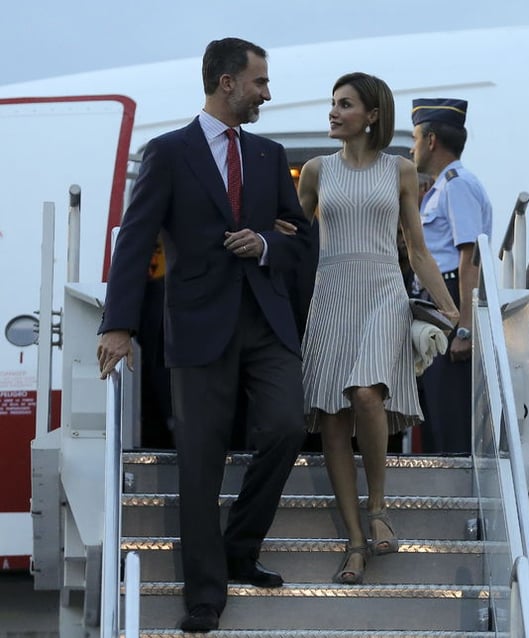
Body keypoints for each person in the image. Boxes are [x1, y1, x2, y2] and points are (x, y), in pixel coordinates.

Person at [96, 38, 313, 633]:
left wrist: (267, 242)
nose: (267, 93)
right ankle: (205, 596)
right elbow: (135, 239)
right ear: (226, 83)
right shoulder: (168, 153)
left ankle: (239, 546)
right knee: (199, 461)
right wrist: (119, 325)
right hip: (196, 323)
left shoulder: (270, 155)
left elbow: (302, 238)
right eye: (260, 82)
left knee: (288, 426)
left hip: (265, 321)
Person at [294, 72, 459, 585]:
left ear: (372, 116)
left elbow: (417, 247)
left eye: (345, 105)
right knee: (334, 419)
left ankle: (379, 506)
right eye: (333, 103)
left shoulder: (401, 170)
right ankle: (355, 543)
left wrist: (451, 310)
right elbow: (295, 240)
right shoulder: (316, 172)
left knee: (367, 394)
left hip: (384, 291)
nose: (333, 112)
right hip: (331, 296)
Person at [410, 98, 493, 455]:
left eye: (415, 139)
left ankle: (456, 501)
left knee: (448, 418)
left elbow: (469, 258)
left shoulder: (457, 185)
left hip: (450, 300)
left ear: (431, 140)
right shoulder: (440, 187)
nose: (413, 149)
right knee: (431, 413)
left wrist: (464, 328)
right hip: (437, 300)